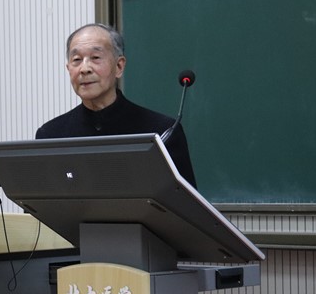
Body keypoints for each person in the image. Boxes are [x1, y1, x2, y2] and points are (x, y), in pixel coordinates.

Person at [35, 23, 197, 187]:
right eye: (76, 60)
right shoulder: (50, 135)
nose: (84, 69)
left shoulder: (163, 131)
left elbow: (184, 200)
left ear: (119, 66)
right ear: (68, 69)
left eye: (95, 58)